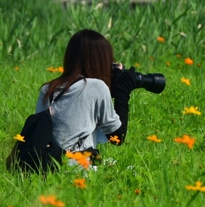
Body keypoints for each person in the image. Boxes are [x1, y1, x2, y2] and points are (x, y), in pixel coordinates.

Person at [35, 29, 135, 161]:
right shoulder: (97, 87)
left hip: (47, 165)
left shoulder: (48, 89)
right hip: (78, 169)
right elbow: (117, 137)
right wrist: (122, 91)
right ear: (100, 62)